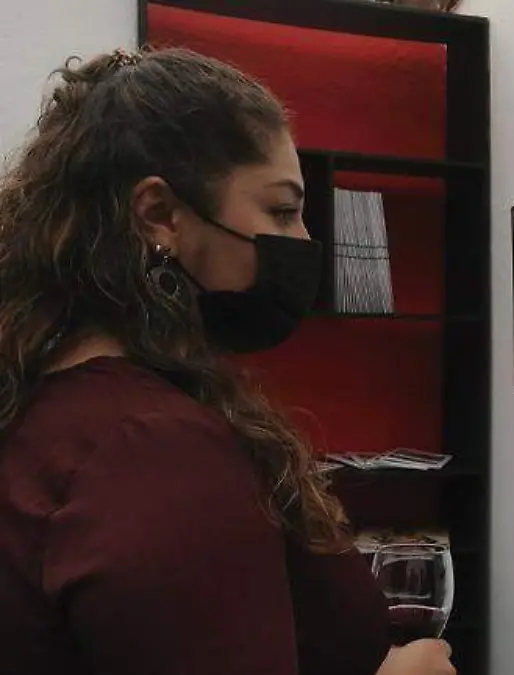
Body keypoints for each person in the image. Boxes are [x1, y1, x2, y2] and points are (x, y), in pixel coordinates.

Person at [0, 47, 455, 675]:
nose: (303, 242)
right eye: (282, 211)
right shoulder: (151, 447)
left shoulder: (35, 393)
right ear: (160, 215)